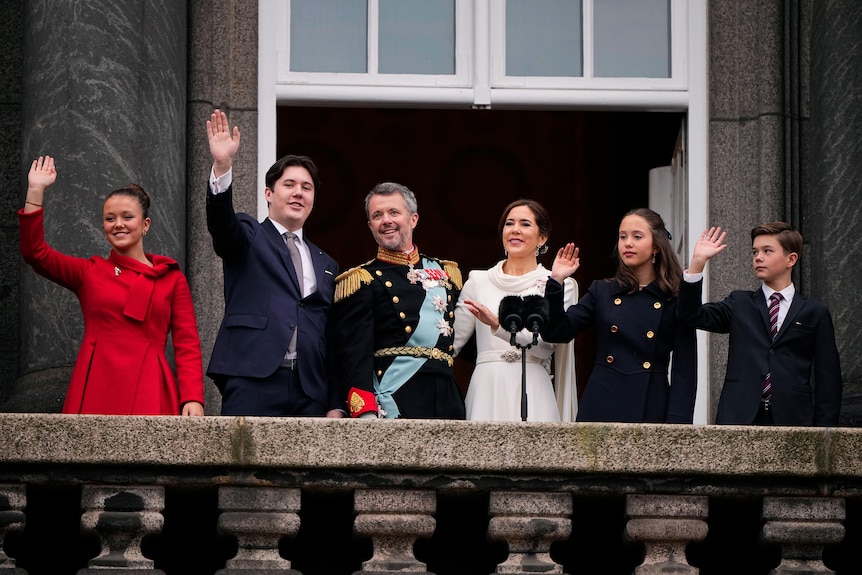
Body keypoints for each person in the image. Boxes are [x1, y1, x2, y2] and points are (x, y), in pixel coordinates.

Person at [18, 156, 205, 415]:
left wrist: (192, 398)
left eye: (127, 216)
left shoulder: (170, 278)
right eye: (109, 218)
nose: (118, 224)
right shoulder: (90, 272)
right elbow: (35, 253)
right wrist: (35, 191)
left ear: (145, 225)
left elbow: (187, 344)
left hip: (151, 386)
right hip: (96, 384)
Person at [205, 109, 343, 417]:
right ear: (269, 193)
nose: (298, 193)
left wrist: (335, 401)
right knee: (242, 466)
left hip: (311, 389)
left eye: (306, 188)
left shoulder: (327, 262)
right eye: (289, 184)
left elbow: (329, 336)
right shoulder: (249, 235)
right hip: (253, 377)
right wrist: (223, 166)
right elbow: (221, 225)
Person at [541, 207, 697, 423]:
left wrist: (679, 425)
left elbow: (685, 370)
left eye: (637, 236)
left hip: (651, 405)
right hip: (602, 401)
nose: (628, 243)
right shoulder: (602, 291)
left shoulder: (674, 298)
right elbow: (556, 332)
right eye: (623, 237)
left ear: (656, 247)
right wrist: (556, 281)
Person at [678, 223, 842, 426]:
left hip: (794, 418)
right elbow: (690, 316)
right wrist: (697, 263)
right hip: (739, 417)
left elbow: (828, 378)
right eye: (755, 251)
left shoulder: (814, 312)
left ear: (791, 259)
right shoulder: (739, 303)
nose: (758, 257)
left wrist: (826, 433)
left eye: (767, 251)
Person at [333, 182, 465, 419]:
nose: (386, 220)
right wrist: (364, 411)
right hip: (396, 399)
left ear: (413, 219)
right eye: (377, 215)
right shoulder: (363, 280)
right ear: (370, 225)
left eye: (394, 212)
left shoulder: (446, 273)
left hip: (446, 400)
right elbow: (354, 355)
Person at [453, 199, 578, 422]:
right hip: (486, 387)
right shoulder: (478, 281)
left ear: (543, 237)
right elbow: (451, 344)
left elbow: (545, 347)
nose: (515, 230)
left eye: (525, 224)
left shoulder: (558, 284)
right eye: (509, 223)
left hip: (534, 385)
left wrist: (498, 325)